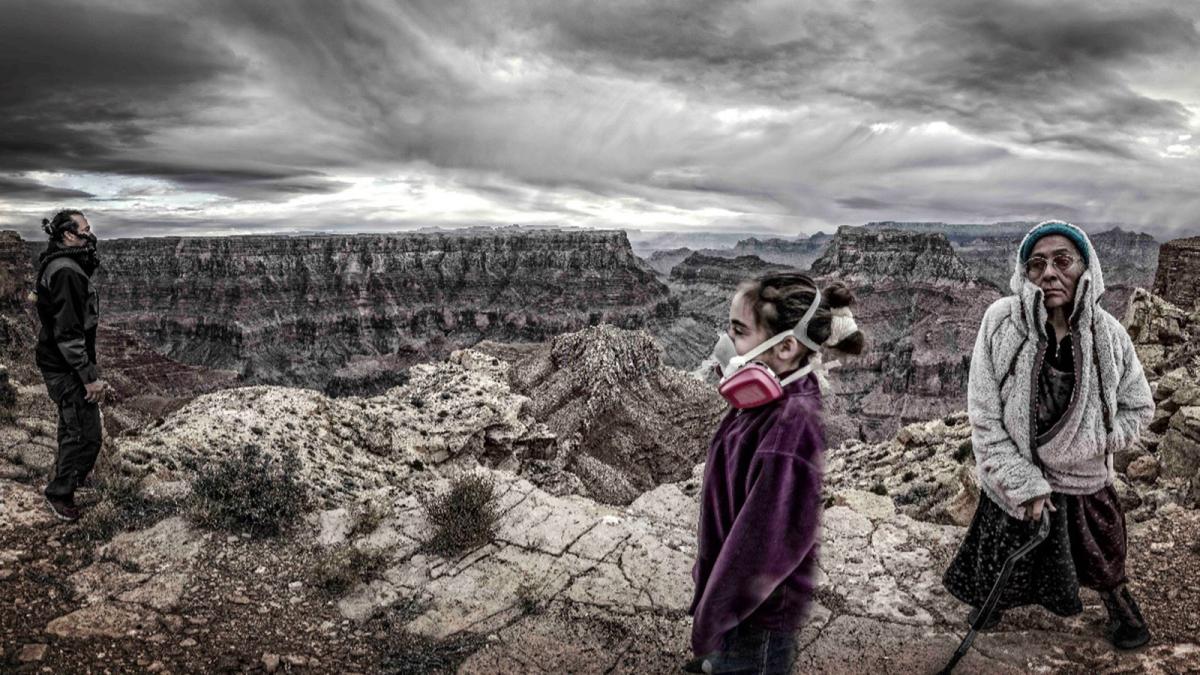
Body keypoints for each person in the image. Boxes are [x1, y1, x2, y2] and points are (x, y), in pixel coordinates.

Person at [943, 220, 1155, 650]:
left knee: (1102, 554)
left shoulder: (1109, 336)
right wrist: (1021, 480)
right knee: (1002, 546)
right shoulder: (1001, 323)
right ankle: (993, 601)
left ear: (1086, 267)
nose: (1050, 273)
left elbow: (1139, 406)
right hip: (1016, 470)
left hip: (1084, 479)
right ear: (1024, 274)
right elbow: (983, 413)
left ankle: (1119, 605)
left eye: (1063, 261)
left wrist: (1093, 442)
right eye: (1036, 263)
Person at [686, 272, 865, 674]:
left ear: (785, 347)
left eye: (739, 331)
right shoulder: (765, 401)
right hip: (736, 605)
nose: (725, 344)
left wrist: (710, 621)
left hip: (757, 621)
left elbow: (758, 548)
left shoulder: (789, 429)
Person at [33, 209, 111, 522]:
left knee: (71, 426)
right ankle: (60, 493)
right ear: (68, 235)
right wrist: (88, 378)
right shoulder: (65, 271)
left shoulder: (59, 261)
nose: (91, 236)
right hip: (65, 365)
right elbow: (68, 332)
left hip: (57, 359)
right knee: (86, 434)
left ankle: (68, 478)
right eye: (85, 231)